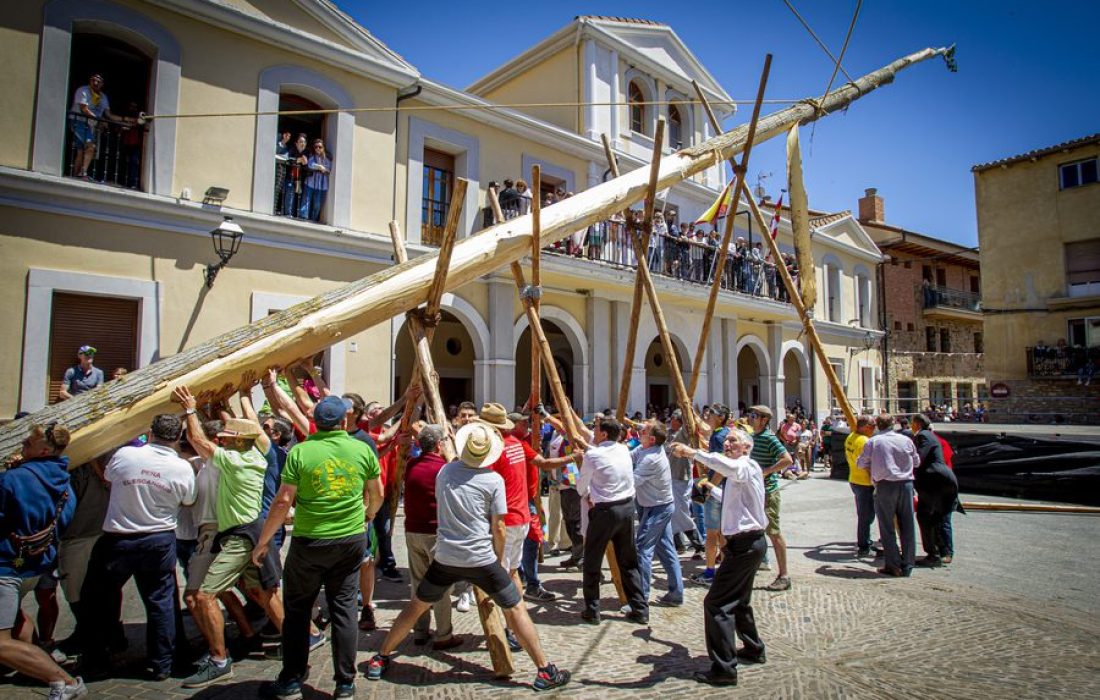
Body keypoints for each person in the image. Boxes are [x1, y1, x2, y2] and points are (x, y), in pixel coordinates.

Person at [366, 423, 570, 691]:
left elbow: (450, 464)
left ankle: (381, 657)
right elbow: (498, 526)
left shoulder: (445, 472)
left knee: (416, 605)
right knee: (516, 608)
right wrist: (498, 558)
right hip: (481, 558)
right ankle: (544, 670)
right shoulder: (492, 480)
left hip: (447, 555)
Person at [254, 395, 383, 700]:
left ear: (317, 423)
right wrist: (369, 514)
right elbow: (376, 492)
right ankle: (345, 683)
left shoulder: (302, 451)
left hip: (310, 540)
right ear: (343, 422)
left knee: (298, 611)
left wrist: (263, 541)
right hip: (350, 539)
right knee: (343, 611)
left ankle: (292, 679)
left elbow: (284, 499)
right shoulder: (362, 449)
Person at [172, 387, 285, 689]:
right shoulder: (257, 455)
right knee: (264, 591)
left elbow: (198, 441)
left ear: (238, 441)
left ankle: (220, 661)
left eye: (228, 437)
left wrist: (189, 409)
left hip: (240, 535)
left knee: (205, 595)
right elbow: (246, 431)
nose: (222, 439)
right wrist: (225, 405)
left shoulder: (235, 461)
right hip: (251, 531)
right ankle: (297, 643)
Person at [79, 414, 196, 681]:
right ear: (177, 438)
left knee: (97, 599)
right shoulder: (181, 467)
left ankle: (96, 657)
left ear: (150, 432)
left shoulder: (126, 456)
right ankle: (162, 663)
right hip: (158, 538)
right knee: (161, 602)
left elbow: (108, 477)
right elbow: (188, 500)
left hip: (119, 537)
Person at [671, 429, 767, 686]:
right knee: (741, 601)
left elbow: (728, 467)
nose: (727, 443)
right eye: (726, 440)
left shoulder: (745, 466)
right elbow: (735, 502)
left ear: (746, 447)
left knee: (717, 604)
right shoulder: (740, 472)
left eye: (733, 440)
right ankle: (754, 648)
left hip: (746, 545)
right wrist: (711, 489)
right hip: (745, 544)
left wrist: (692, 453)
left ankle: (724, 668)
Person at [0, 423, 84, 699]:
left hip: (5, 564)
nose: (22, 444)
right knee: (16, 621)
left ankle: (64, 681)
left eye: (28, 442)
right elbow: (64, 523)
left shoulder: (14, 479)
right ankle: (33, 665)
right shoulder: (65, 482)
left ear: (44, 449)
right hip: (35, 565)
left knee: (1, 643)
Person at [577, 418, 648, 625]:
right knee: (628, 561)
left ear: (604, 434)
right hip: (626, 508)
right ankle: (640, 608)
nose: (593, 432)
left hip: (605, 510)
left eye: (596, 429)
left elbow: (582, 486)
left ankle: (592, 609)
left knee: (592, 561)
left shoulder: (593, 454)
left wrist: (588, 493)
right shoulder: (623, 449)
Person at [401, 425, 461, 650]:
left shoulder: (411, 465)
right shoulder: (444, 469)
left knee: (417, 582)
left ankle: (420, 630)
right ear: (439, 445)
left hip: (412, 530)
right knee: (441, 586)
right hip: (435, 532)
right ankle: (443, 634)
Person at [857, 414, 919, 577]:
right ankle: (908, 564)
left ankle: (893, 564)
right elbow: (917, 461)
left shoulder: (874, 441)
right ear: (893, 424)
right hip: (906, 484)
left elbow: (861, 463)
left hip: (885, 485)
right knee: (907, 525)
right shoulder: (906, 440)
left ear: (877, 425)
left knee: (887, 526)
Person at [631, 421, 683, 606]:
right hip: (656, 505)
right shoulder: (643, 449)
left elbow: (632, 481)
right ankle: (676, 594)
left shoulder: (651, 458)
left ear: (651, 439)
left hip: (657, 508)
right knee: (667, 550)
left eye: (643, 430)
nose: (640, 431)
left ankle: (641, 598)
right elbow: (627, 457)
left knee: (642, 549)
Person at [746, 406, 793, 591]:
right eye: (749, 415)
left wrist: (765, 472)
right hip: (755, 492)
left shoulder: (769, 438)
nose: (750, 418)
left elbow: (787, 459)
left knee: (773, 532)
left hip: (768, 492)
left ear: (764, 419)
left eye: (754, 416)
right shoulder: (753, 437)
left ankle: (784, 575)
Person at [909, 415, 959, 568]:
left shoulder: (924, 436)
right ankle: (939, 552)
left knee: (929, 517)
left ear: (917, 424)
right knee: (935, 517)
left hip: (935, 483)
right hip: (936, 482)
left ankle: (936, 553)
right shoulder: (931, 436)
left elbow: (918, 458)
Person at [68, 73, 118, 180]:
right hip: (78, 122)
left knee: (81, 151)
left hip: (89, 125)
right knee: (91, 147)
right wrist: (100, 121)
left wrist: (128, 119)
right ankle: (82, 173)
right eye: (93, 80)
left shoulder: (103, 97)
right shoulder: (83, 90)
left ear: (102, 84)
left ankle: (75, 175)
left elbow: (109, 115)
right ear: (90, 81)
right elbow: (83, 109)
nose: (95, 83)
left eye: (98, 81)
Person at [845, 416, 877, 557]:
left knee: (864, 514)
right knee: (866, 516)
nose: (874, 429)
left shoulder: (851, 437)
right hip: (865, 482)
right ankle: (864, 545)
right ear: (864, 426)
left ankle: (865, 541)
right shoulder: (864, 441)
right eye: (871, 426)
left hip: (854, 479)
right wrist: (875, 481)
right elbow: (867, 464)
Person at [299, 139, 331, 222]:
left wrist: (323, 169)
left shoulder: (327, 158)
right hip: (310, 182)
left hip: (322, 185)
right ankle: (303, 218)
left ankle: (313, 220)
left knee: (317, 204)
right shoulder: (312, 156)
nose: (318, 148)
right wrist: (320, 167)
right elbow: (310, 164)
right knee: (306, 201)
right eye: (316, 147)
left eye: (320, 147)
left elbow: (329, 169)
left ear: (323, 148)